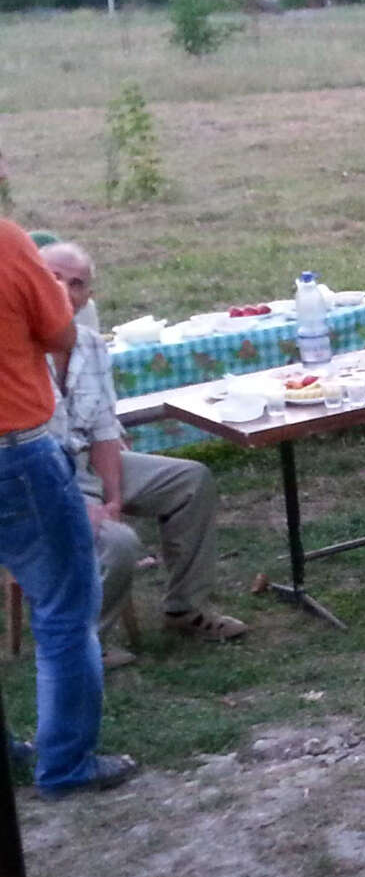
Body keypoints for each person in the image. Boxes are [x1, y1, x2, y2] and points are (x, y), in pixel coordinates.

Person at [40, 241, 246, 654]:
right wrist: (81, 505)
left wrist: (113, 498)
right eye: (53, 278)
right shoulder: (12, 350)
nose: (64, 290)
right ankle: (83, 646)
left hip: (87, 460)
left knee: (191, 481)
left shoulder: (90, 344)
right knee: (118, 544)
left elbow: (103, 429)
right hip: (37, 477)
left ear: (88, 296)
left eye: (77, 283)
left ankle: (185, 609)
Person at [0, 218, 138, 797]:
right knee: (63, 613)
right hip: (13, 451)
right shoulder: (7, 240)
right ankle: (66, 766)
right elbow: (60, 333)